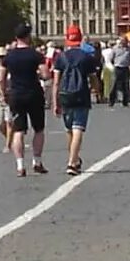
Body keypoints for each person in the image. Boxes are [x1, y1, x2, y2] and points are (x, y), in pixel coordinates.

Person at [52, 21, 104, 175]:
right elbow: (93, 78)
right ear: (80, 38)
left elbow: (56, 82)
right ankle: (72, 162)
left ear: (67, 38)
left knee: (70, 130)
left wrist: (55, 102)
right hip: (81, 94)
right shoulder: (86, 57)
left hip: (65, 95)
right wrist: (97, 92)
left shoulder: (61, 57)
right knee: (78, 128)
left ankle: (74, 158)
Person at [0, 25, 49, 177]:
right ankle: (37, 161)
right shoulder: (36, 55)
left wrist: (4, 92)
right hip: (34, 94)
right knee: (38, 129)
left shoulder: (9, 56)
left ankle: (20, 165)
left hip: (16, 95)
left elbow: (2, 76)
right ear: (28, 37)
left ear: (16, 38)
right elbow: (45, 74)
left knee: (18, 131)